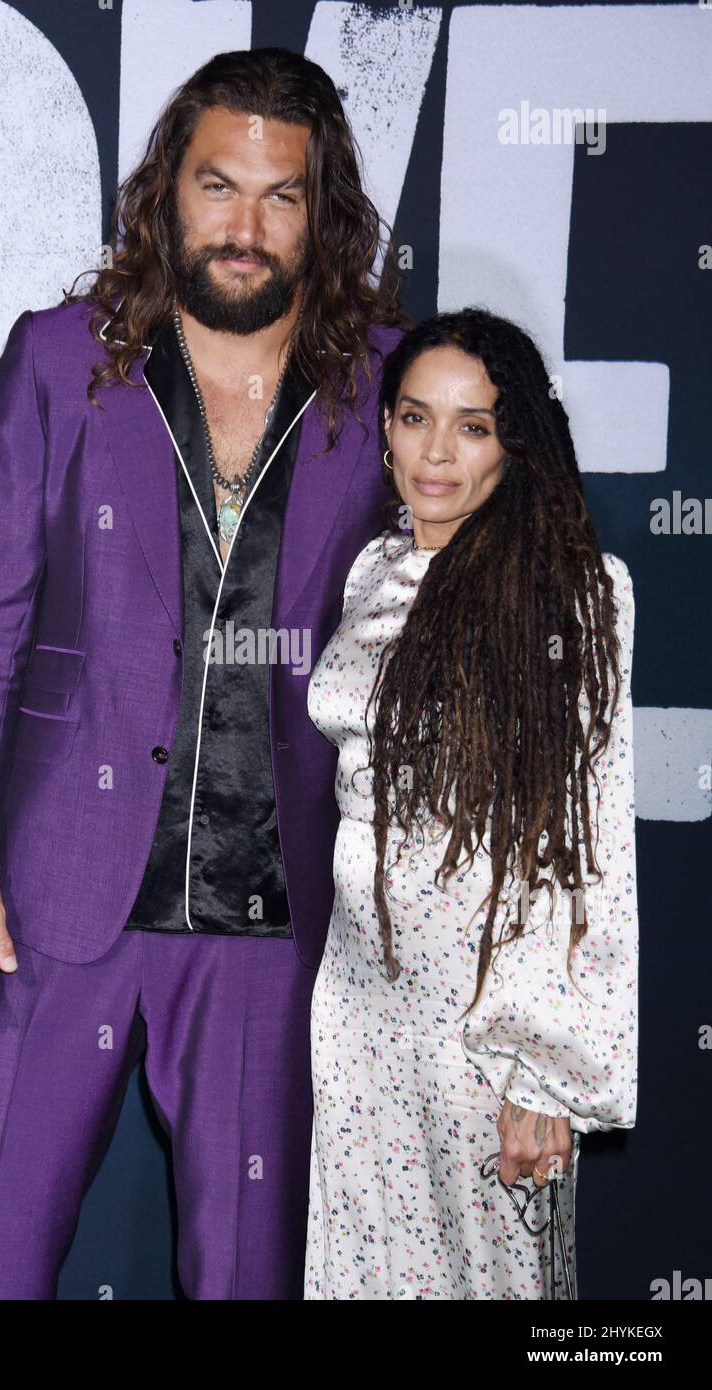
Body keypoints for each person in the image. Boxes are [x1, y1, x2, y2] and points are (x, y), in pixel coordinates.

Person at [0, 47, 409, 1299]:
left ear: (321, 211)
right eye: (216, 185)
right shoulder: (62, 360)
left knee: (251, 1274)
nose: (243, 227)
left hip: (271, 912)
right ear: (166, 193)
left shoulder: (392, 389)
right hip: (60, 898)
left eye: (279, 196)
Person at [304, 307, 638, 1300]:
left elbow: (582, 848)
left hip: (480, 1024)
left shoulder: (573, 593)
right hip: (361, 1004)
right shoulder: (373, 569)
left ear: (516, 440)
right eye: (413, 418)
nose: (436, 451)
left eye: (473, 425)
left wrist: (541, 1071)